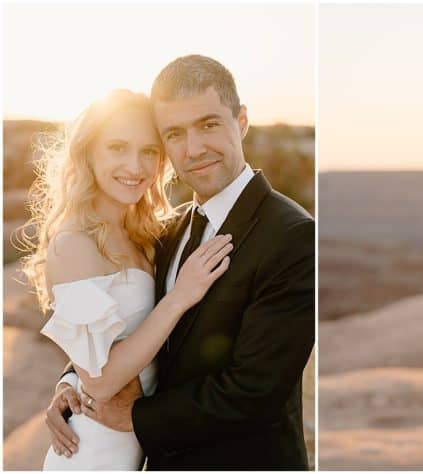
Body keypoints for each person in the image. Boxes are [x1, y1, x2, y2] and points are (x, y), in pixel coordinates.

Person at [42, 55, 315, 469]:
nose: (194, 149)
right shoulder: (167, 231)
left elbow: (256, 392)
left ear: (240, 122)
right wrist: (72, 381)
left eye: (208, 125)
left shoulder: (292, 235)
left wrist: (134, 416)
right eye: (174, 134)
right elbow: (129, 325)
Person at [21, 89, 233, 470]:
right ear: (89, 153)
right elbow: (100, 382)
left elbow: (108, 347)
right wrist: (181, 296)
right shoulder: (73, 242)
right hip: (94, 453)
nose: (135, 167)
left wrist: (67, 383)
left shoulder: (143, 233)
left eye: (149, 151)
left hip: (142, 444)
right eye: (117, 147)